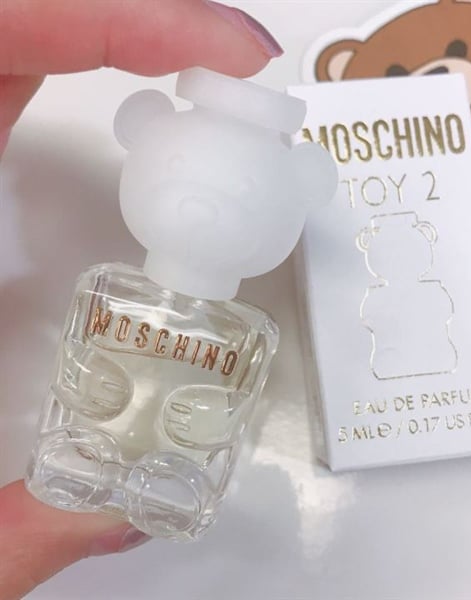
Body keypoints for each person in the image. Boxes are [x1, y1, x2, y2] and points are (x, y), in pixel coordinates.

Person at [0, 1, 282, 597]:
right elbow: (75, 369)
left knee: (182, 460)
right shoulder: (107, 290)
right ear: (143, 130)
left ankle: (164, 476)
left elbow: (225, 416)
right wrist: (91, 387)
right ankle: (92, 454)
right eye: (182, 165)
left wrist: (200, 423)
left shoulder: (246, 334)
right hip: (80, 454)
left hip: (176, 476)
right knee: (80, 438)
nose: (205, 204)